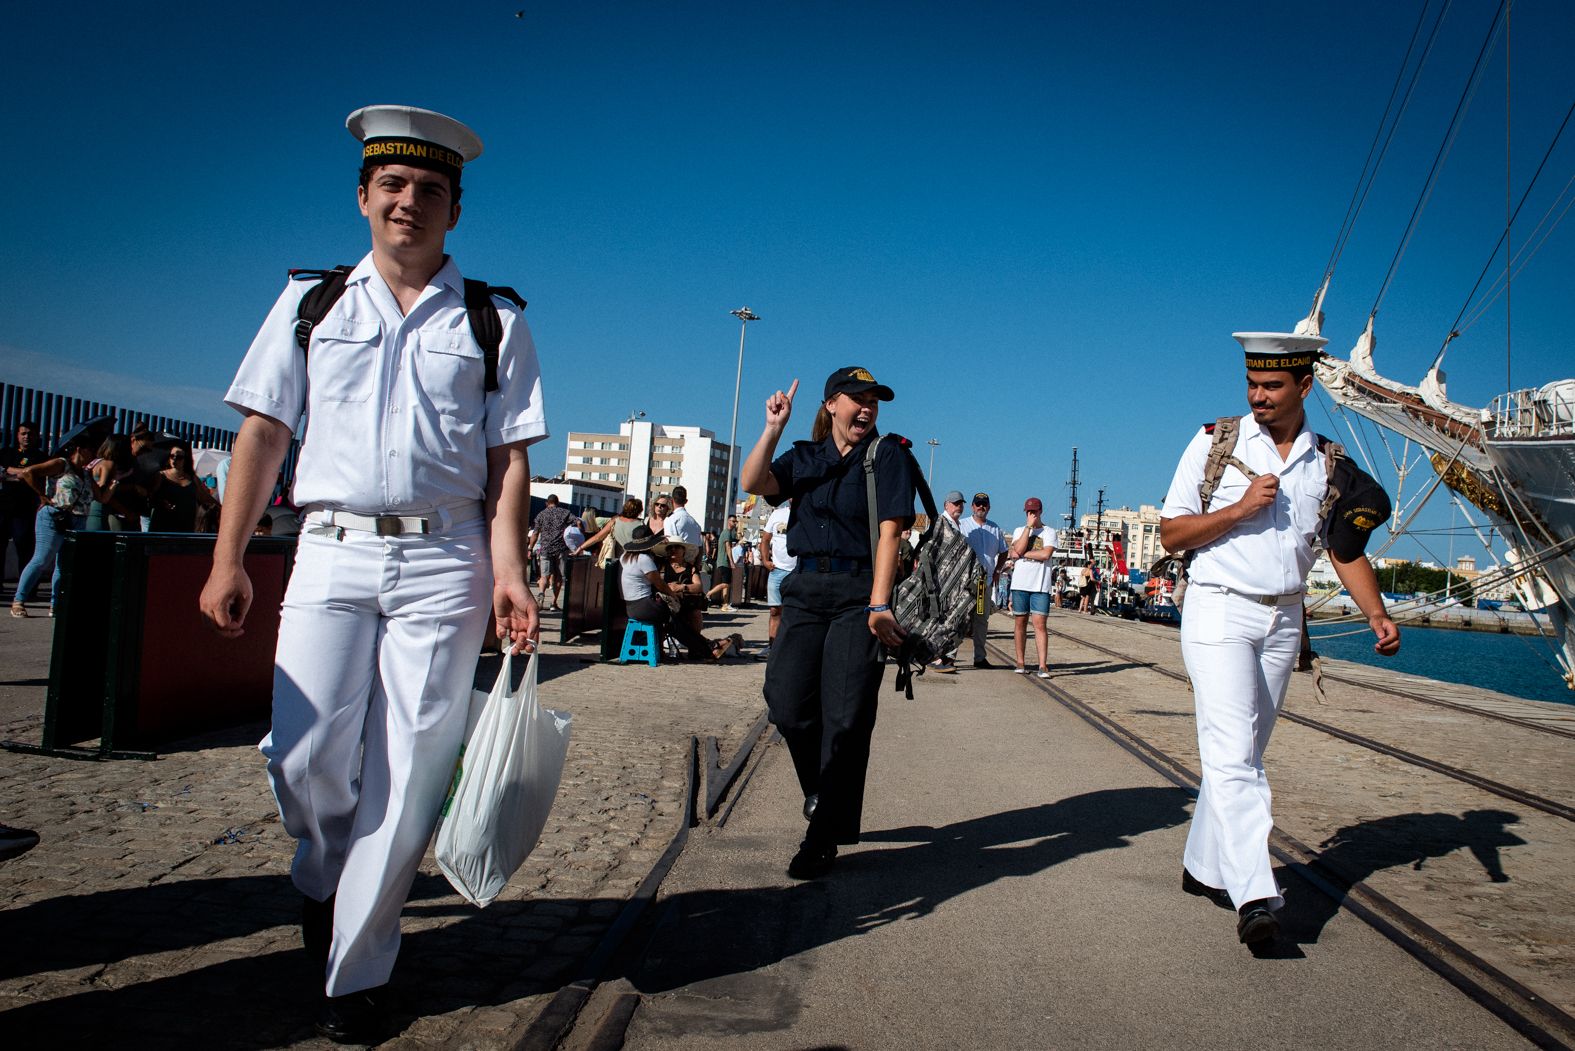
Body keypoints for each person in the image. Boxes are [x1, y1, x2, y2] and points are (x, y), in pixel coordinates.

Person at [197, 104, 545, 1042]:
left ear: (454, 212)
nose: (409, 202)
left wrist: (508, 572)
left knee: (411, 765)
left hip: (445, 555)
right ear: (363, 198)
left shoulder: (492, 317)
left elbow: (508, 459)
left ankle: (357, 969)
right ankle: (321, 871)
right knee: (304, 749)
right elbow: (264, 431)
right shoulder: (312, 303)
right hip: (332, 546)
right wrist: (230, 555)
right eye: (392, 186)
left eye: (430, 190)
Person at [1159, 330, 1399, 949]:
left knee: (1241, 754)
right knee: (1234, 752)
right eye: (1252, 384)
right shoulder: (1214, 444)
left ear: (1304, 386)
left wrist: (1375, 613)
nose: (1259, 396)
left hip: (1283, 621)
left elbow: (1343, 550)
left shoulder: (1327, 462)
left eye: (1272, 385)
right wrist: (1239, 509)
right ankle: (1258, 896)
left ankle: (1203, 866)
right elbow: (1171, 534)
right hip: (1218, 611)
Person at [740, 366, 919, 881]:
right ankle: (822, 793)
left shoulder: (888, 456)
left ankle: (820, 839)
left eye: (874, 402)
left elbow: (890, 532)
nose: (867, 409)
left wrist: (878, 604)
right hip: (803, 590)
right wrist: (772, 427)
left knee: (844, 718)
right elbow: (754, 483)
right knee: (786, 703)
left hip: (857, 595)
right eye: (857, 399)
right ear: (832, 405)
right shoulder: (805, 456)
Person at [620, 525, 737, 660]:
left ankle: (707, 647)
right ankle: (708, 649)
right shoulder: (644, 559)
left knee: (677, 621)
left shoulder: (626, 557)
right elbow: (659, 584)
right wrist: (673, 594)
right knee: (676, 622)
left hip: (631, 606)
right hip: (644, 606)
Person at [8, 438, 95, 617]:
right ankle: (18, 600)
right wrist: (42, 495)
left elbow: (101, 496)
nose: (93, 455)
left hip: (77, 520)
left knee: (64, 565)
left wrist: (116, 481)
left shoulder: (86, 473)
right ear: (79, 449)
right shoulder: (61, 464)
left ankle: (56, 604)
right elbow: (28, 472)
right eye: (91, 450)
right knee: (42, 558)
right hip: (55, 515)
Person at [1006, 498, 1057, 676]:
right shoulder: (1020, 530)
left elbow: (1045, 554)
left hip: (1040, 586)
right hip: (1020, 584)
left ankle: (1042, 665)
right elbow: (1016, 549)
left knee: (1039, 624)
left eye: (1034, 512)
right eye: (1029, 512)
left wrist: (1023, 554)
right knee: (1020, 622)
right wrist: (1028, 527)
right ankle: (1020, 662)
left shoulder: (1049, 532)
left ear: (1041, 511)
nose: (1032, 515)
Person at [959, 492, 1008, 668]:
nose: (981, 507)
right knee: (958, 618)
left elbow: (1004, 551)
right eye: (978, 504)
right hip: (964, 584)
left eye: (984, 504)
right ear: (972, 506)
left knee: (981, 620)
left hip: (982, 585)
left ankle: (979, 657)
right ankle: (948, 655)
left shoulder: (995, 528)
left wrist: (997, 571)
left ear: (989, 507)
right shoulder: (963, 525)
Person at [928, 491, 967, 673]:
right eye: (954, 503)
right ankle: (935, 658)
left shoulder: (957, 524)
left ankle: (945, 656)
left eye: (960, 504)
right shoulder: (941, 522)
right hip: (941, 579)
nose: (958, 506)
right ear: (946, 505)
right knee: (939, 618)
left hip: (952, 580)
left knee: (951, 618)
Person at [0, 421, 42, 588]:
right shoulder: (6, 452)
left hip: (25, 508)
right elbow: (3, 471)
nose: (26, 437)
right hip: (3, 505)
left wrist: (12, 471)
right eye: (23, 433)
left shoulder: (40, 456)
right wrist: (23, 473)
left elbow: (36, 472)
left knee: (25, 546)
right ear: (17, 435)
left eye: (30, 434)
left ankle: (27, 586)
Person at [150, 442, 222, 533]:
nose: (175, 459)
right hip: (163, 527)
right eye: (172, 456)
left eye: (179, 457)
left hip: (186, 527)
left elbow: (205, 497)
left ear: (185, 460)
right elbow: (152, 497)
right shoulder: (161, 475)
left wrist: (222, 509)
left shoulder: (192, 478)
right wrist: (162, 502)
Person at [761, 497, 796, 657]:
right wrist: (765, 560)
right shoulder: (777, 514)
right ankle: (772, 646)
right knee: (775, 610)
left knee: (797, 611)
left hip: (799, 572)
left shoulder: (808, 513)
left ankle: (792, 649)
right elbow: (765, 540)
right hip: (778, 570)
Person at [528, 494, 573, 611]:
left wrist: (530, 548)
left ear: (546, 503)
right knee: (558, 577)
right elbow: (577, 522)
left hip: (545, 548)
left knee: (544, 576)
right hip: (561, 549)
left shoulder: (541, 514)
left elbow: (535, 533)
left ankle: (542, 593)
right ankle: (553, 603)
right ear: (558, 502)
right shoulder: (565, 512)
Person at [715, 513, 739, 612]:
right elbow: (728, 548)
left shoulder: (727, 533)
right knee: (725, 584)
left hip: (723, 562)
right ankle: (709, 594)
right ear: (728, 522)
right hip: (724, 562)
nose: (735, 523)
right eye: (733, 521)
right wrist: (732, 562)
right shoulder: (727, 533)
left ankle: (725, 604)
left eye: (735, 522)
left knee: (726, 584)